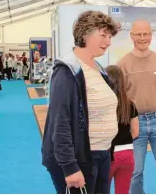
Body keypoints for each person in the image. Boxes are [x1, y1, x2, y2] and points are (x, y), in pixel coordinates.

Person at [42, 11, 119, 194]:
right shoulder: (67, 71)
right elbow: (60, 121)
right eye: (103, 35)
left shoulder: (98, 69)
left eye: (110, 37)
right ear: (85, 34)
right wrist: (69, 166)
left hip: (101, 153)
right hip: (79, 158)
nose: (108, 42)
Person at [118, 20, 156, 194]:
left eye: (146, 34)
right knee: (135, 172)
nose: (142, 38)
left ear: (151, 36)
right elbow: (120, 99)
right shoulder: (122, 64)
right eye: (138, 34)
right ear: (132, 36)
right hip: (135, 125)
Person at [105, 65, 140, 194]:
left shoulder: (103, 104)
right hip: (127, 154)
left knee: (103, 190)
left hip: (107, 154)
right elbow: (136, 132)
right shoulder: (130, 104)